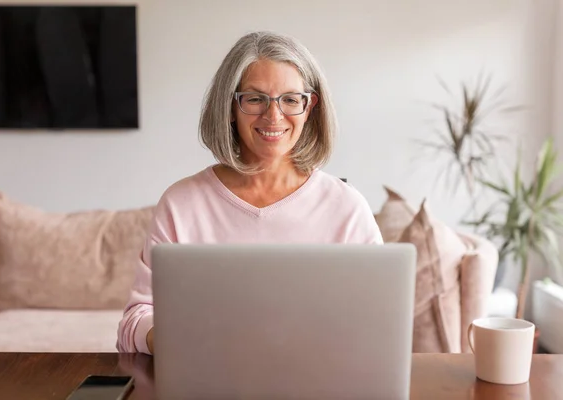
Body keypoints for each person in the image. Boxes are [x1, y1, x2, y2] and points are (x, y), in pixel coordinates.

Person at [116, 31, 383, 355]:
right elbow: (134, 322)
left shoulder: (346, 208)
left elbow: (378, 326)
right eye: (255, 99)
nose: (273, 116)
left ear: (309, 106)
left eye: (290, 99)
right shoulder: (181, 204)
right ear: (230, 106)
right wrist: (173, 341)